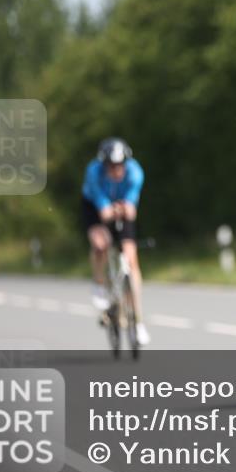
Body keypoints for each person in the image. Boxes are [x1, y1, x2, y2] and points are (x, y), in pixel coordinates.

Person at [81, 137, 150, 345]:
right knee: (100, 244)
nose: (116, 170)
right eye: (111, 166)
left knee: (131, 257)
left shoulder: (135, 172)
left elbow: (131, 202)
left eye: (120, 165)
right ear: (104, 164)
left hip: (120, 205)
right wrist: (105, 209)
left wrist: (128, 206)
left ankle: (138, 321)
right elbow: (100, 204)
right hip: (94, 206)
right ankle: (99, 284)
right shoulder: (93, 172)